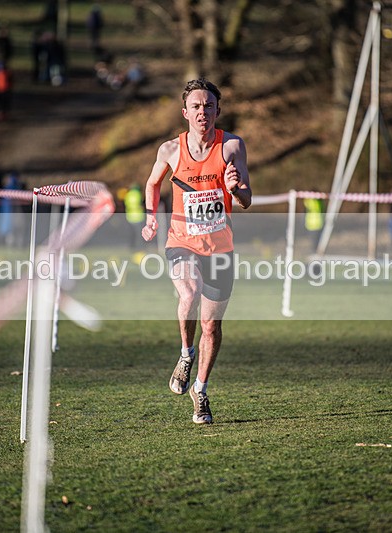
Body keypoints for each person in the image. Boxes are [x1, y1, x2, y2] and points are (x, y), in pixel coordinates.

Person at [141, 78, 252, 424]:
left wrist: (235, 189)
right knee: (188, 293)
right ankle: (185, 355)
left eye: (208, 106)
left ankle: (200, 391)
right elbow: (152, 183)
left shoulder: (232, 146)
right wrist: (150, 219)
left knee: (211, 326)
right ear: (184, 112)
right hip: (181, 241)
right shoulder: (170, 150)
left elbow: (247, 199)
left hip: (220, 248)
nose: (202, 112)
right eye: (196, 106)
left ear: (217, 110)